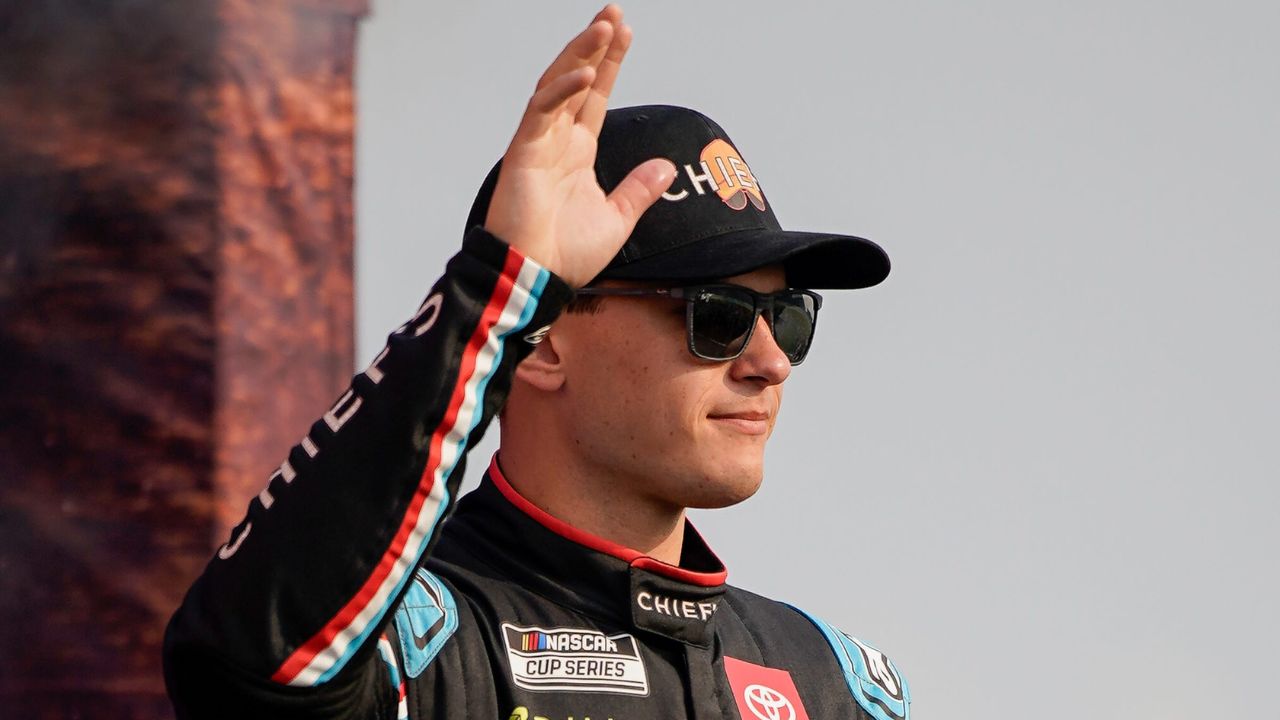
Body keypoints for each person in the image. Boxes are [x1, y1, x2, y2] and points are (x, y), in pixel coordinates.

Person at [163, 6, 910, 720]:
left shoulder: (827, 682)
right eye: (715, 317)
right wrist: (496, 290)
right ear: (545, 339)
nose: (771, 362)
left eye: (787, 317)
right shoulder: (420, 648)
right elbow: (251, 664)